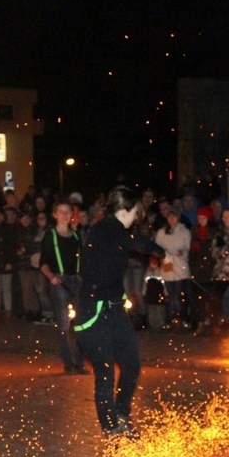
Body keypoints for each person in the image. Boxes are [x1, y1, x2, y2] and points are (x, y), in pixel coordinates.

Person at [74, 186, 164, 438]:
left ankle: (121, 414)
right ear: (125, 210)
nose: (137, 217)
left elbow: (130, 243)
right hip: (94, 311)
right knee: (104, 371)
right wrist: (159, 250)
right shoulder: (106, 229)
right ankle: (111, 427)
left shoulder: (116, 233)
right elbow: (137, 242)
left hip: (114, 310)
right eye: (136, 212)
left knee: (131, 365)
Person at [40, 200, 86, 373]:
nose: (65, 215)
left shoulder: (76, 236)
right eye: (62, 212)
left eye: (68, 212)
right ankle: (69, 363)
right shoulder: (50, 235)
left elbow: (82, 261)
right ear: (55, 214)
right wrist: (51, 276)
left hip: (76, 281)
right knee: (64, 325)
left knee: (82, 323)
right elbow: (43, 263)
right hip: (59, 281)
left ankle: (80, 363)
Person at [155, 205, 192, 329]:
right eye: (169, 217)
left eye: (174, 217)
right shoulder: (161, 232)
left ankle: (184, 318)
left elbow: (187, 248)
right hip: (167, 266)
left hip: (180, 266)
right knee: (170, 295)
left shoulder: (185, 231)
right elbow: (156, 248)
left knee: (179, 294)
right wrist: (162, 254)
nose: (171, 219)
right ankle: (170, 319)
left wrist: (182, 252)